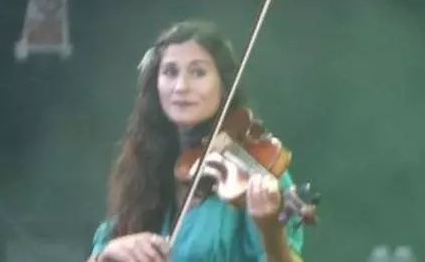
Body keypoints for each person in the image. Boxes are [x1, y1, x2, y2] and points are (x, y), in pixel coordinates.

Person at [87, 20, 307, 262]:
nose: (181, 87)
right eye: (170, 72)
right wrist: (105, 256)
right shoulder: (143, 169)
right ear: (155, 83)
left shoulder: (254, 170)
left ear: (224, 85)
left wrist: (272, 232)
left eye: (198, 73)